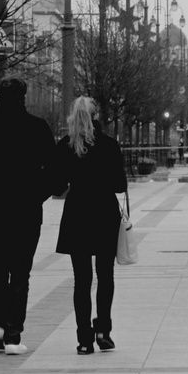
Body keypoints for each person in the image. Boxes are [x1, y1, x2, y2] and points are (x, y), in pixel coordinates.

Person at [0, 78, 60, 355]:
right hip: (26, 210)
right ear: (24, 97)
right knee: (21, 271)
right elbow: (53, 172)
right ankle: (13, 332)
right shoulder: (37, 128)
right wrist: (37, 193)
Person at [56, 96, 128, 355]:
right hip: (104, 214)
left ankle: (84, 339)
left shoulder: (66, 145)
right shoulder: (108, 145)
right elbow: (120, 185)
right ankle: (103, 330)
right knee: (105, 275)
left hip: (77, 215)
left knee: (81, 280)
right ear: (96, 115)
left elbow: (57, 185)